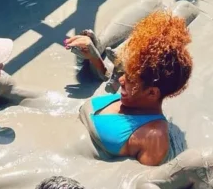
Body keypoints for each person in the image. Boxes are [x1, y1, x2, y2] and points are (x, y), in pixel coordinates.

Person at [78, 9, 193, 165]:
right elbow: (109, 79)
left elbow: (138, 178)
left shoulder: (154, 137)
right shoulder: (131, 97)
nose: (121, 80)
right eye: (125, 73)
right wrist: (94, 57)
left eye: (130, 79)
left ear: (152, 93)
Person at [63, 0, 198, 84]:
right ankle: (108, 47)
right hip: (119, 71)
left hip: (118, 72)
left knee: (178, 6)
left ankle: (115, 50)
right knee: (155, 1)